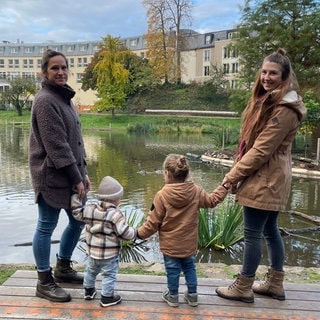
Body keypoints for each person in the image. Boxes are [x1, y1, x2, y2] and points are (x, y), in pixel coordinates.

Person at [215, 48, 307, 303]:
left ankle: (244, 286)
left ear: (284, 76)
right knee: (269, 230)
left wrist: (232, 176)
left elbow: (261, 150)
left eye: (273, 73)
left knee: (253, 232)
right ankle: (274, 284)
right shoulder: (271, 101)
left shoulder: (285, 108)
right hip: (271, 176)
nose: (266, 77)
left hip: (266, 178)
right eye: (264, 72)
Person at [29, 49, 91, 303]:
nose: (60, 72)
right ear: (45, 72)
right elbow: (57, 146)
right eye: (54, 68)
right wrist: (77, 178)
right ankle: (44, 281)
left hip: (71, 174)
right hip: (51, 176)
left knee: (78, 221)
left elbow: (76, 141)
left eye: (64, 67)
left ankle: (62, 267)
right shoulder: (45, 100)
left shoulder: (64, 98)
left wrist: (83, 173)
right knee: (46, 225)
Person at [137, 154, 228, 307]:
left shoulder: (161, 196)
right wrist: (224, 187)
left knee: (172, 270)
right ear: (186, 174)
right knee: (189, 267)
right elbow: (212, 200)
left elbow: (153, 223)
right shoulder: (196, 191)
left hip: (170, 245)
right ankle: (192, 295)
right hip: (189, 244)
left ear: (167, 173)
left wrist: (138, 233)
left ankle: (173, 296)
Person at [70, 175, 137, 307]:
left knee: (90, 271)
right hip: (109, 255)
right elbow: (124, 233)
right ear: (116, 199)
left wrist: (76, 196)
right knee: (109, 275)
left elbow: (77, 212)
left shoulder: (90, 209)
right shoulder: (116, 215)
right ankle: (107, 298)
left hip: (92, 252)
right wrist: (136, 232)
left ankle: (88, 292)